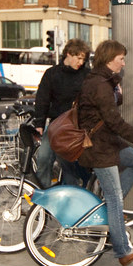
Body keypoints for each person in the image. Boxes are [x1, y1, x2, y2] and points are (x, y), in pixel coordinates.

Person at [77, 40, 133, 266]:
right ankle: (122, 251)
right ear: (108, 59)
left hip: (108, 142)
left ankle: (110, 210)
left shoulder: (105, 81)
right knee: (116, 199)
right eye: (121, 59)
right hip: (98, 148)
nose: (124, 64)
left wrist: (118, 90)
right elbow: (115, 122)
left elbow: (107, 109)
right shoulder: (99, 84)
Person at [32, 38, 91, 186]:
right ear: (69, 54)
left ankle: (71, 197)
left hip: (76, 128)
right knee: (44, 159)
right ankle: (43, 198)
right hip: (56, 125)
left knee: (69, 165)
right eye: (79, 58)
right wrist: (39, 123)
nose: (81, 62)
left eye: (84, 59)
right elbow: (42, 99)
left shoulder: (86, 75)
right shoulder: (52, 74)